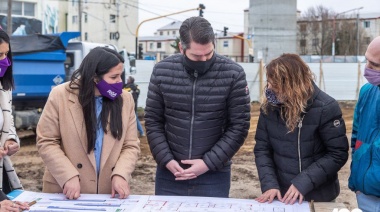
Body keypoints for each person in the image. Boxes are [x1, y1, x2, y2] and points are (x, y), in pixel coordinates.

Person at [144, 16, 251, 198]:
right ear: (181, 48)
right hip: (170, 173)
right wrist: (167, 160)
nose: (203, 60)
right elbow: (153, 120)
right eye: (196, 55)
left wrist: (208, 163)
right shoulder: (162, 71)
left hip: (213, 174)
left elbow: (239, 126)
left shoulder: (233, 74)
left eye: (208, 54)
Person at [36, 47, 140, 200]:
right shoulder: (60, 95)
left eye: (121, 75)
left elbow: (131, 145)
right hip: (66, 191)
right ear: (95, 78)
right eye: (114, 77)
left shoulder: (125, 99)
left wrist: (120, 173)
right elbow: (47, 141)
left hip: (109, 193)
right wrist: (67, 176)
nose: (120, 82)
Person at [254, 53, 349, 205]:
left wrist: (303, 182)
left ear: (291, 85)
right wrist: (269, 184)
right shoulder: (269, 109)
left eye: (275, 84)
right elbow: (262, 149)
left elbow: (337, 154)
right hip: (283, 197)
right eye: (269, 82)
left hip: (319, 197)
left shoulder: (325, 107)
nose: (269, 87)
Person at [348, 36, 380, 212]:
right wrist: (357, 178)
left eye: (374, 64)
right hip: (365, 193)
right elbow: (356, 137)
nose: (367, 68)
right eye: (366, 61)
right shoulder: (366, 91)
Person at [0, 29, 23, 194]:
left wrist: (9, 139)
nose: (4, 61)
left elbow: (8, 120)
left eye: (6, 54)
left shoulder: (3, 87)